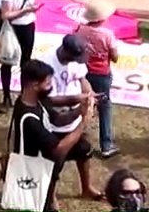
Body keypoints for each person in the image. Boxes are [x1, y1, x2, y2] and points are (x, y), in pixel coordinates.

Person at [7, 58, 95, 212]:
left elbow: (58, 120)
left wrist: (79, 110)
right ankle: (48, 200)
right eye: (47, 83)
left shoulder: (37, 101)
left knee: (83, 148)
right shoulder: (29, 119)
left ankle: (81, 189)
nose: (51, 87)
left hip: (43, 157)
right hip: (34, 167)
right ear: (35, 85)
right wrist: (83, 123)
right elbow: (59, 149)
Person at [40, 34, 103, 202]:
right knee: (55, 161)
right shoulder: (46, 65)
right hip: (54, 122)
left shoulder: (76, 62)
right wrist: (78, 100)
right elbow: (49, 100)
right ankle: (50, 196)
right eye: (75, 57)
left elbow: (82, 80)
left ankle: (86, 188)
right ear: (66, 51)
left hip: (73, 120)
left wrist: (89, 94)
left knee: (84, 151)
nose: (77, 61)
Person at [74, 0, 120, 158]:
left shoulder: (80, 30)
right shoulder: (107, 34)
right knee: (105, 107)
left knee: (83, 104)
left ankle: (75, 137)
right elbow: (114, 57)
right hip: (101, 73)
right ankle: (106, 144)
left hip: (84, 72)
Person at [0, 0, 40, 112]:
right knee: (7, 61)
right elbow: (5, 14)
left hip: (28, 26)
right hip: (13, 28)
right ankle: (6, 96)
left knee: (26, 63)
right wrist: (26, 11)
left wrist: (30, 9)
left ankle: (24, 96)